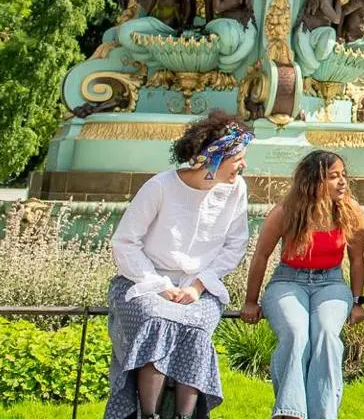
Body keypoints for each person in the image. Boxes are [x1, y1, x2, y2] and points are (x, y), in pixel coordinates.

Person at [105, 111, 254, 419]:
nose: (243, 165)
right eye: (238, 158)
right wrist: (160, 286)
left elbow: (235, 244)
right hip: (142, 284)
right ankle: (148, 415)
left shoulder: (236, 190)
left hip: (200, 288)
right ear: (213, 157)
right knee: (157, 322)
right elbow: (125, 242)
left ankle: (185, 417)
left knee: (196, 329)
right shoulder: (160, 186)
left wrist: (198, 285)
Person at [240, 151, 364, 419]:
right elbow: (261, 256)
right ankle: (290, 413)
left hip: (331, 282)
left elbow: (356, 260)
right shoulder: (286, 212)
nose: (342, 182)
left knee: (326, 335)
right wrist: (251, 301)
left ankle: (323, 414)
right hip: (288, 281)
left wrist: (358, 302)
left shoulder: (351, 211)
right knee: (297, 333)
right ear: (314, 181)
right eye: (333, 177)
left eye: (343, 175)